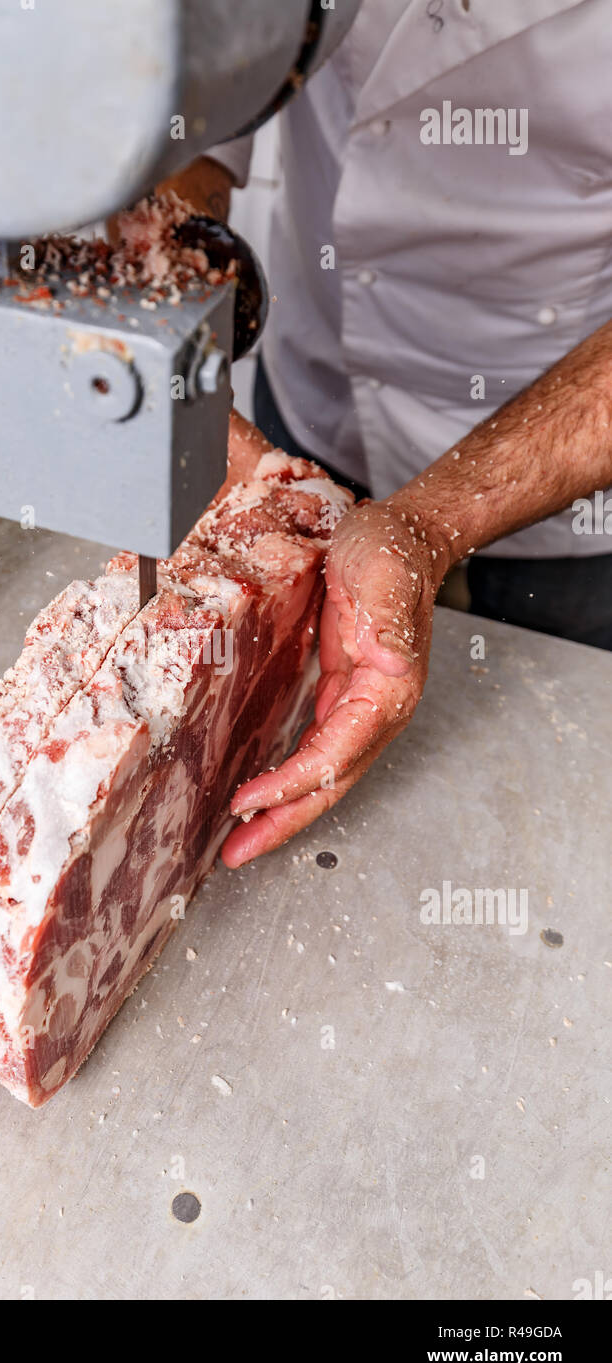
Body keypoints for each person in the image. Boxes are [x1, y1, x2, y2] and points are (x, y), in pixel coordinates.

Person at [155, 1, 612, 867]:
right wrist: (170, 332)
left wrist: (432, 520)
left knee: (546, 824)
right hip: (314, 402)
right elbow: (190, 104)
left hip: (572, 486)